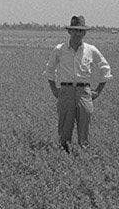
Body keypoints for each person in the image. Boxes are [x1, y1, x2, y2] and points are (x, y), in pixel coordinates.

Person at [43, 15, 112, 151]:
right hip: (66, 92)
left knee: (84, 128)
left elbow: (105, 69)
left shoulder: (91, 50)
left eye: (81, 31)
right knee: (64, 128)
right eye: (75, 30)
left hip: (84, 93)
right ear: (69, 31)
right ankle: (64, 153)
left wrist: (97, 91)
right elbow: (49, 70)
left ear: (84, 33)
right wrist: (54, 90)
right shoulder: (60, 49)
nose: (78, 33)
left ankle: (83, 154)